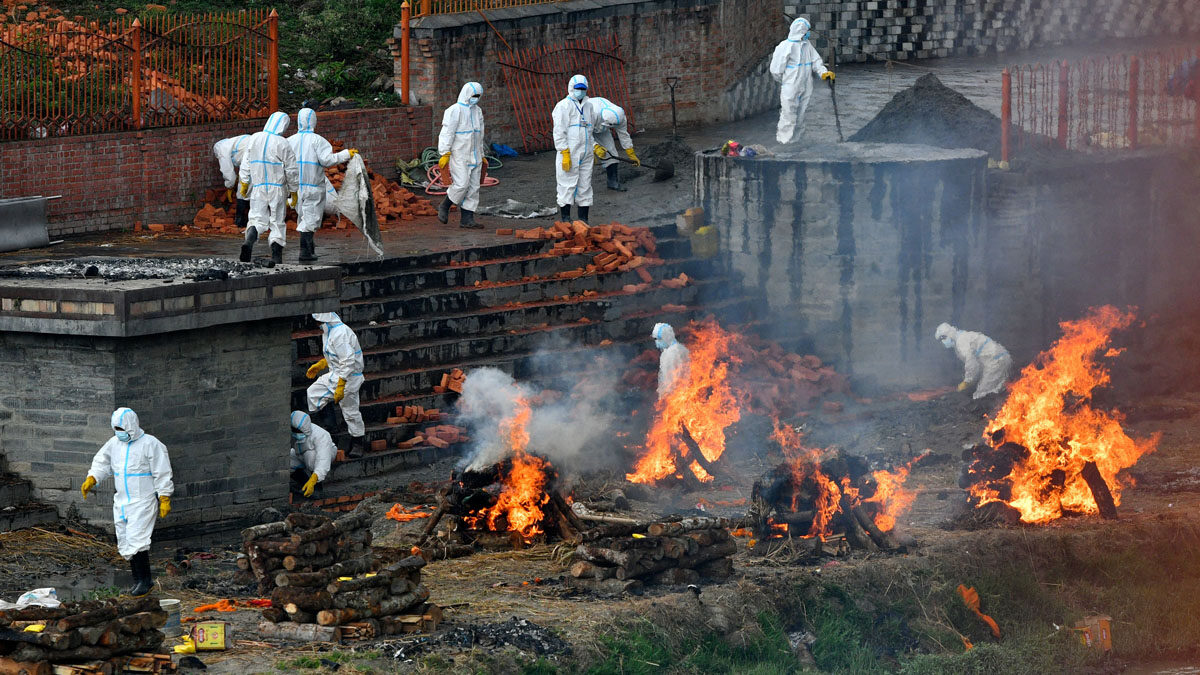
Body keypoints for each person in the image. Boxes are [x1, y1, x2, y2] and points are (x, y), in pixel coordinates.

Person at [80, 408, 173, 597]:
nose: (119, 432)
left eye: (121, 428)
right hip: (122, 501)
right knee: (126, 540)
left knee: (138, 540)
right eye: (116, 428)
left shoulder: (150, 444)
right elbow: (102, 462)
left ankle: (145, 581)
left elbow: (162, 470)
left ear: (130, 426)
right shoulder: (114, 443)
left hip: (143, 500)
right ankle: (137, 580)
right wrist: (93, 477)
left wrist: (164, 496)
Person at [287, 108, 357, 262]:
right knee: (311, 219)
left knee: (303, 216)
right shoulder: (318, 141)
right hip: (313, 186)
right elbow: (327, 160)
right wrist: (346, 154)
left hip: (296, 187)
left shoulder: (289, 141)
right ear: (314, 121)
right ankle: (305, 252)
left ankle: (309, 247)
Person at [238, 111, 299, 264]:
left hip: (257, 187)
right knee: (277, 221)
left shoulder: (254, 138)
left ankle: (249, 242)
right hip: (277, 189)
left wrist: (244, 182)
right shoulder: (282, 143)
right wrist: (293, 190)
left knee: (256, 219)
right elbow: (291, 169)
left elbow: (246, 162)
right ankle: (277, 255)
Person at [306, 312, 366, 457]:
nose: (317, 325)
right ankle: (331, 429)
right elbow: (334, 355)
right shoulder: (329, 332)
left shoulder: (341, 334)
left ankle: (358, 443)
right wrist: (321, 364)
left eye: (318, 322)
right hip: (335, 374)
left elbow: (348, 361)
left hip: (349, 378)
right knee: (313, 392)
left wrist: (341, 385)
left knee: (350, 411)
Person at [769, 17, 834, 145]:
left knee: (801, 113)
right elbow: (776, 70)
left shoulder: (806, 45)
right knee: (788, 114)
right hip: (791, 85)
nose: (808, 33)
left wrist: (823, 72)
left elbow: (816, 61)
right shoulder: (785, 47)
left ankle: (797, 140)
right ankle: (784, 141)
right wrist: (785, 82)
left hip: (806, 84)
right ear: (802, 31)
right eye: (807, 31)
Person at [436, 82, 486, 229]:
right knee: (461, 184)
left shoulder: (478, 111)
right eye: (473, 96)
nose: (475, 99)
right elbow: (447, 133)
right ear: (467, 94)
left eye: (478, 96)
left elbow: (480, 134)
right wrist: (445, 153)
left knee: (474, 187)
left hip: (475, 155)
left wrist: (482, 154)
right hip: (459, 155)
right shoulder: (454, 110)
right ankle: (445, 206)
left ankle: (467, 219)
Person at [552, 74, 595, 223]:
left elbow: (590, 129)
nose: (581, 91)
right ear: (571, 88)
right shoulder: (563, 106)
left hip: (586, 152)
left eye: (583, 89)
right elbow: (559, 130)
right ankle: (566, 219)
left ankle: (583, 220)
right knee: (567, 184)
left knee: (585, 184)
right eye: (578, 88)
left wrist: (594, 147)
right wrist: (564, 151)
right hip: (570, 152)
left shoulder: (589, 106)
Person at [935, 323, 1013, 399]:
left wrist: (967, 382)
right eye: (941, 339)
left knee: (981, 395)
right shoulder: (961, 337)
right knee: (999, 389)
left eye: (944, 337)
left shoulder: (961, 342)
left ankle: (989, 410)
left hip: (996, 362)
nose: (943, 341)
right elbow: (976, 363)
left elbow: (971, 363)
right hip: (1000, 359)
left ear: (950, 333)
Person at [590, 96, 640, 192]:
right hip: (580, 128)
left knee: (611, 153)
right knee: (582, 158)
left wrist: (631, 153)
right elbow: (583, 134)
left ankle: (612, 182)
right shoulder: (592, 113)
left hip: (600, 128)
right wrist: (595, 147)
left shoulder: (620, 117)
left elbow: (623, 135)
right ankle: (577, 187)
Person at [288, 410, 337, 498]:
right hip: (301, 454)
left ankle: (317, 488)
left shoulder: (321, 435)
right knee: (287, 460)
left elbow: (323, 459)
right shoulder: (294, 432)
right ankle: (304, 484)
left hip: (325, 453)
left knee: (311, 457)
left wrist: (314, 479)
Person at [212, 134, 252, 233]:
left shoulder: (222, 150)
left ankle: (240, 223)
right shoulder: (232, 143)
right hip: (258, 154)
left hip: (251, 157)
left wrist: (229, 186)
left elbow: (228, 172)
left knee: (242, 190)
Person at [652, 322, 690, 400]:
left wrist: (667, 393)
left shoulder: (675, 352)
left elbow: (675, 377)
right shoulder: (667, 351)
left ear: (666, 337)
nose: (656, 342)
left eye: (658, 339)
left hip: (677, 395)